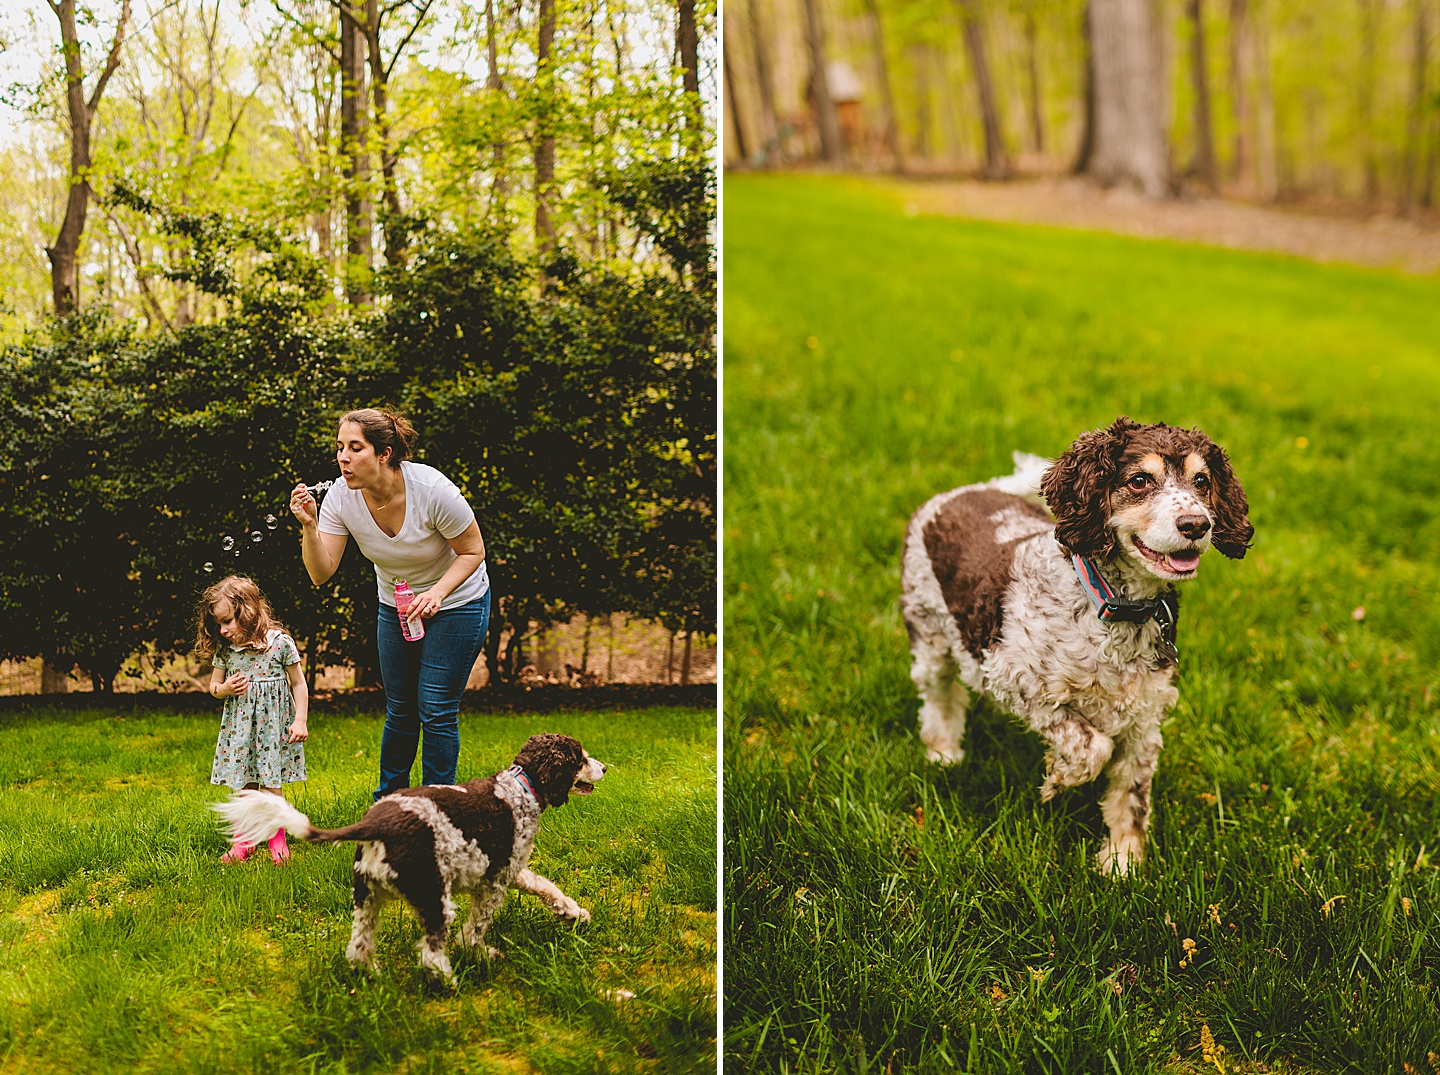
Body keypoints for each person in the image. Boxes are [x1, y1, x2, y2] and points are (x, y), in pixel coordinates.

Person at [290, 407, 490, 800]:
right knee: (401, 711)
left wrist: (437, 593)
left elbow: (473, 551)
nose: (343, 458)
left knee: (434, 708)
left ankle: (438, 805)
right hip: (397, 605)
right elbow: (320, 572)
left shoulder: (432, 491)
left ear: (384, 454)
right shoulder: (340, 499)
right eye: (340, 448)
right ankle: (389, 805)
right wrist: (310, 528)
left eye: (355, 448)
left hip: (457, 603)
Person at [196, 575, 309, 864]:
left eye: (228, 621)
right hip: (242, 729)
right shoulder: (226, 651)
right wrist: (225, 690)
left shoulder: (279, 643)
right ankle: (242, 844)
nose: (223, 630)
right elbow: (214, 687)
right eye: (218, 624)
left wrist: (300, 721)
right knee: (244, 786)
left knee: (272, 784)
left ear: (247, 612)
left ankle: (277, 841)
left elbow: (298, 683)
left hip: (273, 729)